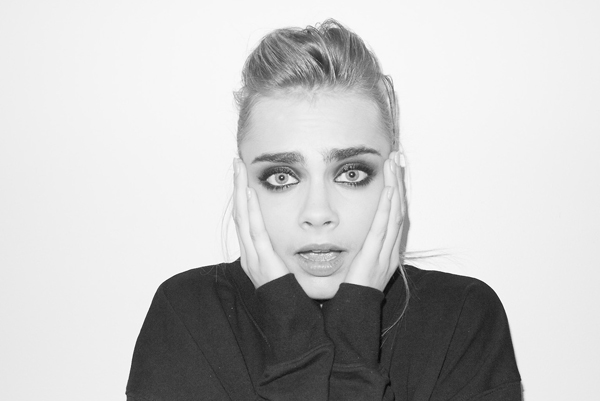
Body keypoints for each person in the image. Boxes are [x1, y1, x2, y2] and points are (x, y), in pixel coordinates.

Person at [126, 19, 521, 400]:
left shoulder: (461, 318)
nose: (318, 213)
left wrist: (355, 319)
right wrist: (292, 323)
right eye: (282, 176)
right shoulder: (189, 316)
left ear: (393, 178)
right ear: (243, 183)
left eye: (351, 173)